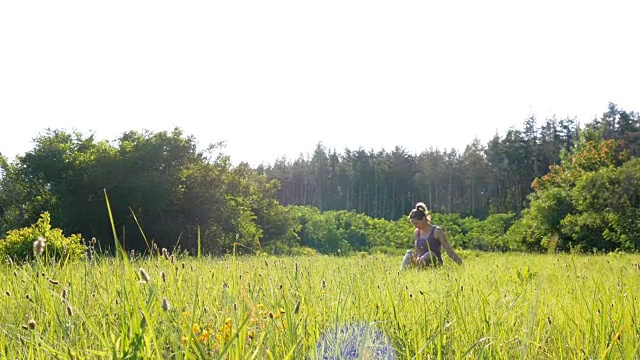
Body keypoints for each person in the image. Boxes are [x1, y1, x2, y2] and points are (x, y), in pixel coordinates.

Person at [401, 202, 463, 270]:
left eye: (416, 223)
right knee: (409, 253)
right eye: (413, 224)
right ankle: (403, 274)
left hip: (434, 262)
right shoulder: (417, 232)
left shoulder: (437, 231)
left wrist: (461, 265)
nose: (415, 226)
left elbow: (449, 250)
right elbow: (418, 251)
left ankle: (420, 269)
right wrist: (417, 258)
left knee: (429, 254)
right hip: (420, 262)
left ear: (424, 219)